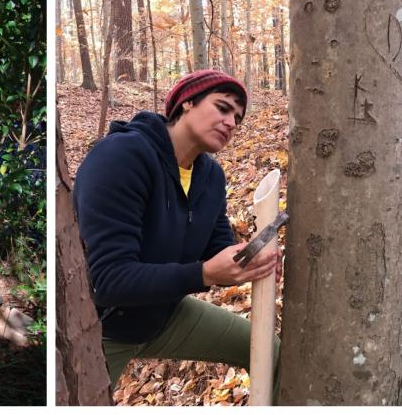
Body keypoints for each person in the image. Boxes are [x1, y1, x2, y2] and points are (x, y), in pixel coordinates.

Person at [72, 69, 283, 388]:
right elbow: (108, 281)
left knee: (271, 353)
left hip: (164, 315)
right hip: (102, 328)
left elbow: (218, 248)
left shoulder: (209, 176)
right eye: (222, 108)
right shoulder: (122, 157)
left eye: (237, 119)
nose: (231, 123)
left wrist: (251, 260)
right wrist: (205, 274)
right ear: (186, 103)